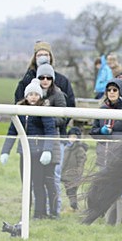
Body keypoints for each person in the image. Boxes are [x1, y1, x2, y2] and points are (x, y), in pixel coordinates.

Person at [0, 79, 58, 219]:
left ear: (40, 96)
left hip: (38, 153)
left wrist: (47, 150)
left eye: (36, 94)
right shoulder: (19, 111)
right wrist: (5, 151)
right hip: (24, 153)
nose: (33, 97)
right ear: (26, 96)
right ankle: (25, 213)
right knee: (25, 184)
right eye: (30, 94)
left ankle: (39, 213)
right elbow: (12, 131)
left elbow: (50, 131)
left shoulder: (43, 110)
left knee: (38, 184)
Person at [89, 78, 122, 225]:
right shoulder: (102, 110)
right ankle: (108, 222)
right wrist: (102, 132)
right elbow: (93, 132)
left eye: (115, 90)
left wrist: (111, 135)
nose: (111, 93)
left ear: (121, 92)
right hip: (103, 155)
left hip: (121, 156)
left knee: (121, 189)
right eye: (109, 90)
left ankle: (121, 222)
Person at [37, 64, 67, 217]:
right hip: (37, 139)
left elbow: (63, 117)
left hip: (52, 140)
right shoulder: (34, 93)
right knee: (39, 180)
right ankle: (40, 211)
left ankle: (55, 211)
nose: (45, 80)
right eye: (42, 77)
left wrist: (47, 121)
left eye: (48, 77)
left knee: (51, 180)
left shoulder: (58, 95)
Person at [14, 40, 75, 109]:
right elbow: (19, 103)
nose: (43, 58)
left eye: (46, 55)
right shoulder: (27, 80)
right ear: (35, 58)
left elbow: (70, 104)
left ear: (50, 57)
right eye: (39, 55)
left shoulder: (62, 81)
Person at [61, 126, 87, 212]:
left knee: (71, 191)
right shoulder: (66, 147)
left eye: (74, 137)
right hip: (65, 173)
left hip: (74, 174)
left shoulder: (79, 149)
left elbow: (81, 161)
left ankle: (74, 205)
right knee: (69, 191)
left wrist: (78, 172)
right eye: (71, 136)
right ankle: (74, 206)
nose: (72, 139)